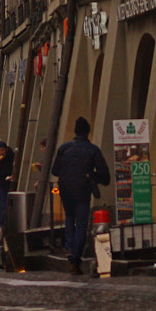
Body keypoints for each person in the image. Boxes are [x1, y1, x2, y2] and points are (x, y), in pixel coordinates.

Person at [50, 117, 112, 276]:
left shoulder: (64, 148)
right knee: (82, 224)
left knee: (69, 218)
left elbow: (55, 171)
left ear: (75, 131)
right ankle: (75, 258)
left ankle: (70, 247)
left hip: (65, 189)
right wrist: (92, 176)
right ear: (88, 132)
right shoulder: (93, 150)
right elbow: (105, 176)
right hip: (83, 190)